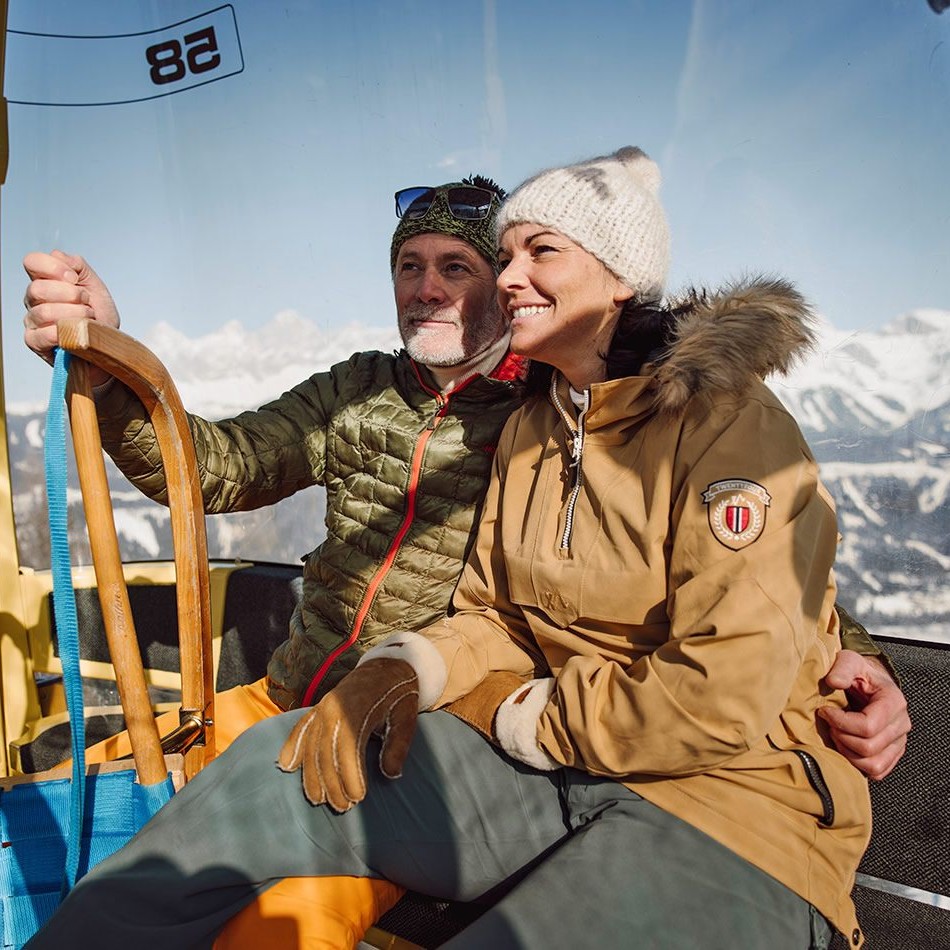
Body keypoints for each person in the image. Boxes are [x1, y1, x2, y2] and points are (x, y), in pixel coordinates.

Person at [27, 146, 877, 948]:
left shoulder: (594, 412)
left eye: (463, 266)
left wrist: (855, 656)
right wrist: (113, 371)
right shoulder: (458, 410)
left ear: (618, 280)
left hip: (604, 759)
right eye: (410, 266)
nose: (437, 287)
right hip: (342, 701)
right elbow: (221, 471)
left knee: (272, 927)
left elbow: (765, 595)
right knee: (91, 825)